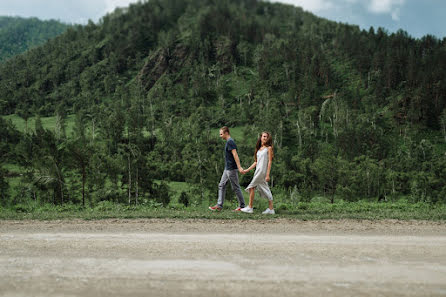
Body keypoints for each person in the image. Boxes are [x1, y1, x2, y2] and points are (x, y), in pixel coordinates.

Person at [209, 126, 246, 211]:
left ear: (226, 133)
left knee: (235, 187)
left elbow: (235, 155)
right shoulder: (228, 142)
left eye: (221, 134)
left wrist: (239, 167)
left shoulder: (230, 142)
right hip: (227, 168)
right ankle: (219, 205)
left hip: (231, 169)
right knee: (221, 185)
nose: (220, 136)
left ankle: (242, 206)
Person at [241, 131, 275, 214]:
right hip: (258, 171)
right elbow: (256, 162)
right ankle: (271, 209)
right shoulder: (259, 149)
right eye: (263, 136)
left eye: (266, 137)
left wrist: (267, 174)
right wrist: (247, 170)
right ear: (260, 137)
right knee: (265, 188)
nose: (265, 138)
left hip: (262, 172)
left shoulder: (269, 148)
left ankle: (250, 207)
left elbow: (270, 161)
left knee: (251, 187)